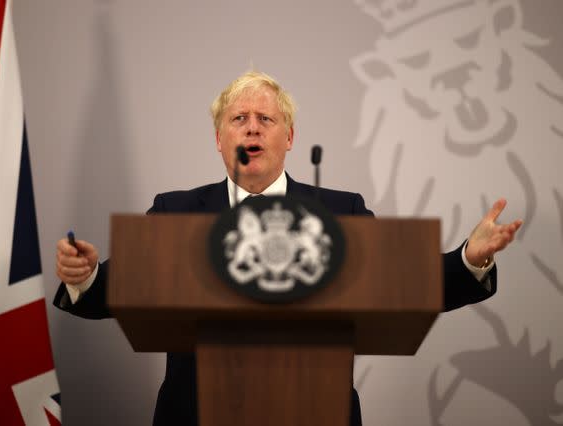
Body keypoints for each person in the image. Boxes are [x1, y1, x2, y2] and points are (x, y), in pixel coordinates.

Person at [53, 71, 522, 426]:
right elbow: (126, 286)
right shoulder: (175, 210)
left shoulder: (340, 211)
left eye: (265, 119)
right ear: (220, 139)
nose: (252, 129)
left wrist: (468, 259)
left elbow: (403, 283)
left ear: (290, 137)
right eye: (238, 119)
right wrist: (86, 276)